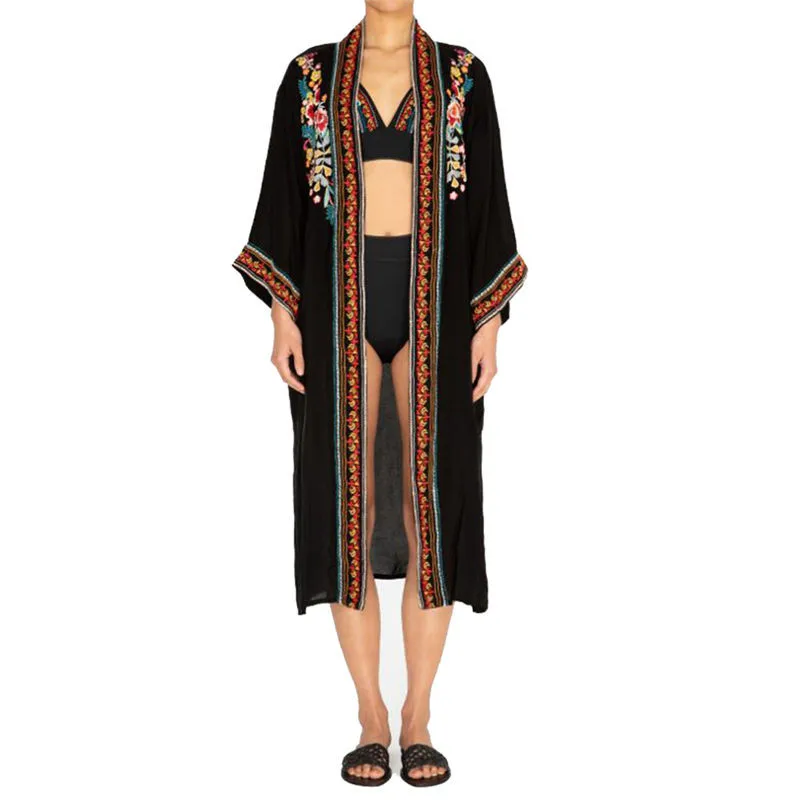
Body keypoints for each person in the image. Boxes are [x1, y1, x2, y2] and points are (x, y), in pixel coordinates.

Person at [231, 0, 527, 786]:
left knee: (431, 501)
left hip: (440, 306)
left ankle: (418, 716)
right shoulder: (310, 75)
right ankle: (369, 715)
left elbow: (489, 200)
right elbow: (282, 197)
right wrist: (283, 313)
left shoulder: (462, 75)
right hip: (335, 305)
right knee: (348, 504)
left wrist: (490, 319)